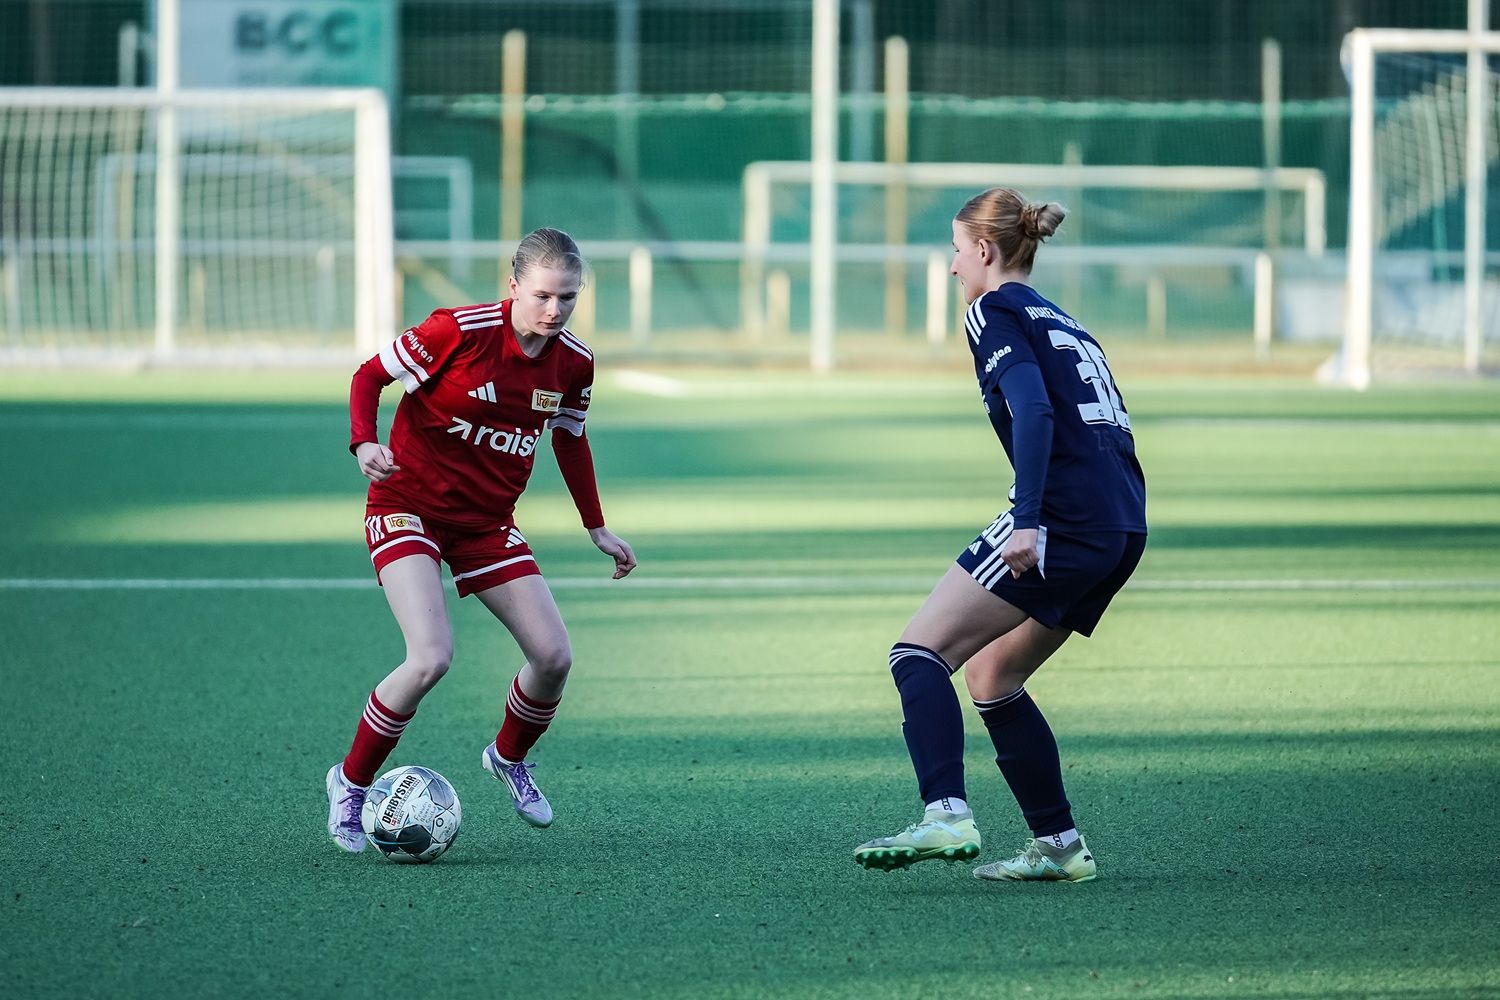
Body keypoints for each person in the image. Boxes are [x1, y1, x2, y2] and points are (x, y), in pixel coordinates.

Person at [852, 189, 1146, 882]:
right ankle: (1060, 845)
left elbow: (1035, 410)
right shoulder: (1064, 319)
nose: (953, 267)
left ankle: (945, 812)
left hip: (1064, 518)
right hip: (1122, 521)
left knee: (917, 652)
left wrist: (1029, 518)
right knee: (993, 674)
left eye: (957, 250)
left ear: (983, 250)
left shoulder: (993, 309)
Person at [325, 227, 636, 853]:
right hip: (406, 506)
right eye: (545, 295)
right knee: (431, 656)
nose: (555, 311)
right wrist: (365, 442)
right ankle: (351, 784)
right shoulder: (456, 331)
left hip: (487, 524)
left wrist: (595, 525)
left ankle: (508, 756)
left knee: (554, 658)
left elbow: (570, 440)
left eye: (569, 298)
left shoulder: (574, 361)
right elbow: (368, 377)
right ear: (514, 284)